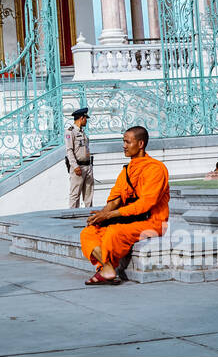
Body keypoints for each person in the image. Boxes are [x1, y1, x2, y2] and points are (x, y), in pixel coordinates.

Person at [78, 125, 169, 286]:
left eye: (127, 142)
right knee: (89, 232)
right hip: (129, 219)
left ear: (140, 144)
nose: (124, 146)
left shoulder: (156, 169)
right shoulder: (126, 171)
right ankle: (107, 269)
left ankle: (105, 269)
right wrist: (101, 216)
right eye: (123, 142)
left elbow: (145, 204)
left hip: (152, 222)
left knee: (114, 232)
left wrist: (110, 215)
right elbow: (115, 200)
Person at [65, 107, 94, 208]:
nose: (86, 121)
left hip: (87, 166)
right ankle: (72, 216)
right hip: (78, 167)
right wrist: (75, 166)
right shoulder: (71, 132)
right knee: (75, 194)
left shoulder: (82, 132)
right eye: (86, 118)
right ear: (81, 118)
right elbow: (69, 150)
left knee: (88, 194)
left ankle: (89, 215)